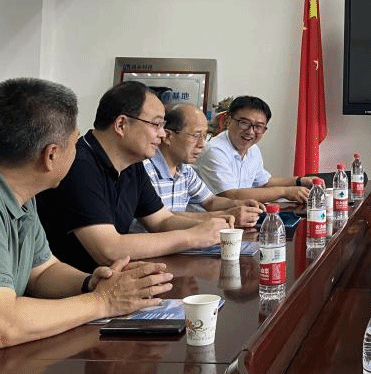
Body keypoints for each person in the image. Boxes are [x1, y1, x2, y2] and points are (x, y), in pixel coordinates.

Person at [0, 78, 173, 372]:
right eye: (75, 143)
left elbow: (42, 271)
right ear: (51, 155)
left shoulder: (18, 193)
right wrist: (104, 302)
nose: (78, 151)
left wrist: (91, 283)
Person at [36, 81, 230, 273]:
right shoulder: (79, 164)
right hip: (71, 286)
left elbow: (161, 221)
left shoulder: (132, 165)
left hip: (110, 281)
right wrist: (194, 236)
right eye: (156, 124)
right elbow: (109, 249)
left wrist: (212, 228)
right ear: (121, 124)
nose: (162, 134)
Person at [130, 103, 264, 233]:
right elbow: (161, 218)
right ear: (168, 136)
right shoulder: (144, 170)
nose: (202, 144)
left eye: (204, 136)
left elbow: (210, 201)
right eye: (196, 136)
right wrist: (224, 215)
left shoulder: (185, 170)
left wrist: (239, 204)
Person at [194, 95, 312, 203]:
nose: (250, 132)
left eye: (258, 126)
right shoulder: (214, 150)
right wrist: (285, 192)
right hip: (209, 217)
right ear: (229, 120)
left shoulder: (253, 149)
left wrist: (300, 181)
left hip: (239, 214)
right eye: (244, 123)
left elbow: (265, 182)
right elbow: (231, 195)